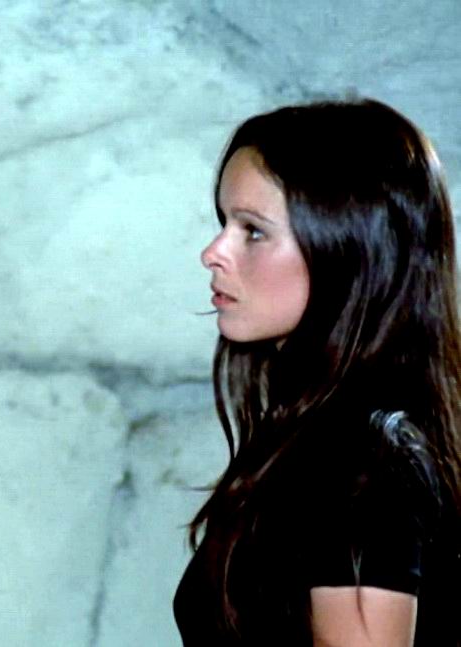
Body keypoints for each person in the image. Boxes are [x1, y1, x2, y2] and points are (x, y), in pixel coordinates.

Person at [175, 99, 461, 646]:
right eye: (224, 223)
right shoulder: (322, 441)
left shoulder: (363, 462)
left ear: (348, 250)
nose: (213, 252)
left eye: (253, 231)